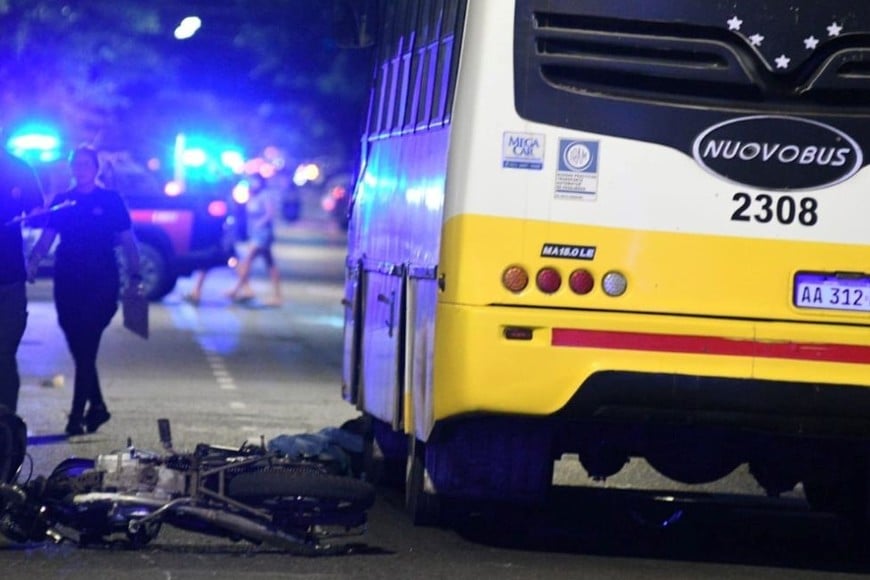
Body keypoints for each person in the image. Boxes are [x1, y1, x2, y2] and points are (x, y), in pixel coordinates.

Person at [27, 146, 142, 436]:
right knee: (80, 347)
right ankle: (98, 407)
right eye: (76, 164)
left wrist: (135, 274)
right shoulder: (64, 202)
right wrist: (32, 261)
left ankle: (76, 416)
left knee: (87, 343)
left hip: (101, 280)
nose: (81, 168)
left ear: (96, 168)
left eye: (86, 163)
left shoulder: (111, 200)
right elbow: (47, 237)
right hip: (67, 280)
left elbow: (128, 241)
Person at [0, 148, 44, 414]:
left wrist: (39, 214)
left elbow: (37, 209)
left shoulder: (18, 168)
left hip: (9, 276)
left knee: (4, 356)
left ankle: (6, 427)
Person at [225, 174, 282, 306]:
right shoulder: (251, 195)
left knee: (247, 261)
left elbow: (270, 213)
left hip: (263, 234)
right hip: (254, 234)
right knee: (270, 264)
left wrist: (260, 223)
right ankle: (277, 296)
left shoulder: (266, 195)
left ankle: (237, 289)